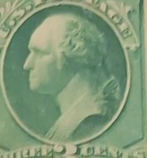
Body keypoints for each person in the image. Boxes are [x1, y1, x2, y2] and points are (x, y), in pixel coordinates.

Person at [20, 7, 121, 140]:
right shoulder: (71, 118)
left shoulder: (90, 120)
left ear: (72, 55)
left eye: (40, 53)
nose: (27, 65)